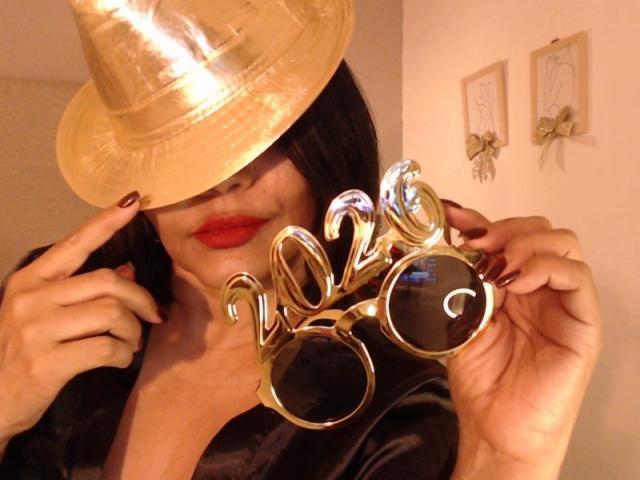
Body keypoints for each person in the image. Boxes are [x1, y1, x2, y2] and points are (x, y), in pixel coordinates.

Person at [0, 1, 601, 479]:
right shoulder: (44, 325)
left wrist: (506, 460)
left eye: (255, 130)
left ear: (324, 136)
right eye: (174, 147)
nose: (221, 181)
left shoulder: (395, 404)